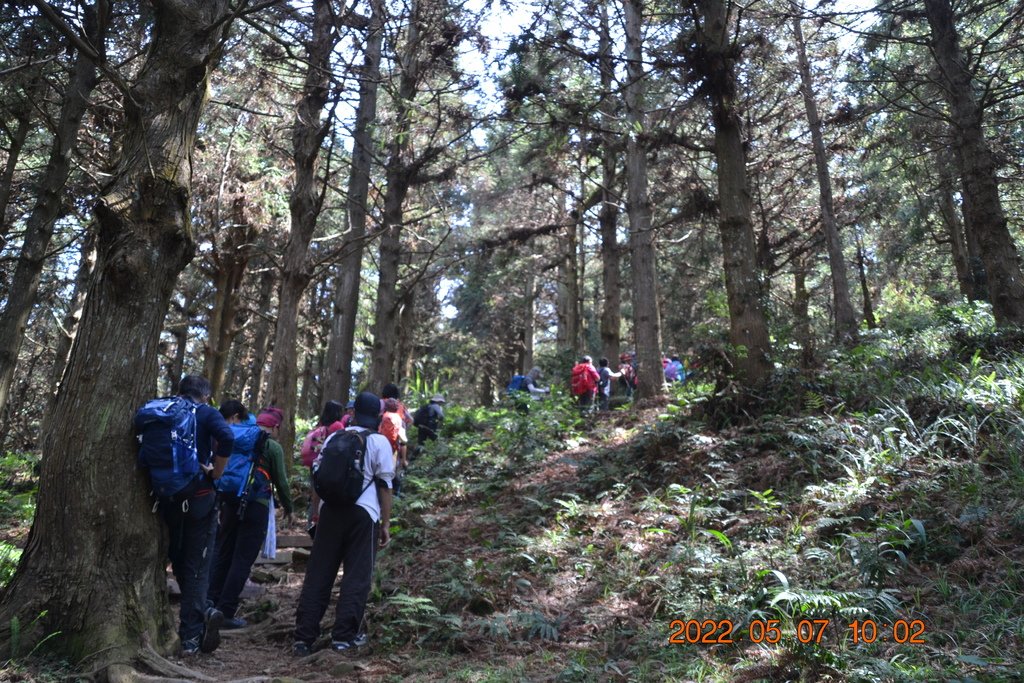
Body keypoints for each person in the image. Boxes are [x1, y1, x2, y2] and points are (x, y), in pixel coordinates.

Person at [293, 391, 394, 655]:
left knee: (319, 574)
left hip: (329, 513)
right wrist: (386, 523)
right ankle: (343, 637)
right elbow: (385, 486)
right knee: (356, 577)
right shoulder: (379, 442)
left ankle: (303, 638)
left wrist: (316, 513)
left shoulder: (334, 438)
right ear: (377, 416)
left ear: (352, 413)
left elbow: (318, 479)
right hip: (364, 514)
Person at [142, 375, 233, 655]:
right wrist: (216, 472)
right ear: (205, 395)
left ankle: (201, 608)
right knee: (197, 567)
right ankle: (192, 636)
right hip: (199, 500)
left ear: (180, 390)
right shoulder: (205, 412)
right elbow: (227, 437)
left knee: (179, 560)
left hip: (167, 499)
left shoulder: (159, 409)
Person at [208, 404, 294, 629]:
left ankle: (208, 603)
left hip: (230, 501)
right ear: (275, 427)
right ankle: (225, 611)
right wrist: (289, 508)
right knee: (242, 559)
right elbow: (282, 483)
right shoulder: (271, 446)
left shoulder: (238, 438)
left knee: (223, 552)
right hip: (256, 504)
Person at [301, 400, 345, 470]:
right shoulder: (338, 426)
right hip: (327, 464)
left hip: (315, 462)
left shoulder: (321, 423)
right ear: (337, 413)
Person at [379, 398, 408, 498]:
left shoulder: (383, 417)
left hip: (381, 448)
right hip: (393, 450)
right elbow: (403, 440)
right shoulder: (399, 419)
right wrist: (404, 459)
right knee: (392, 476)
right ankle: (393, 497)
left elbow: (379, 431)